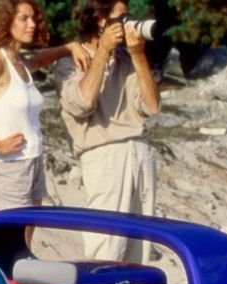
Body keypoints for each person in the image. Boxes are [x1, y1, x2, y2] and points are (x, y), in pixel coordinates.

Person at [0, 0, 85, 225]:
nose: (32, 24)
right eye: (24, 18)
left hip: (33, 160)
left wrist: (69, 47)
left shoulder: (19, 62)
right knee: (6, 239)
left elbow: (41, 58)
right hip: (9, 169)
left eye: (33, 18)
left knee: (25, 239)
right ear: (5, 22)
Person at [55, 0, 162, 263]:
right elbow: (82, 103)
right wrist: (102, 52)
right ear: (100, 20)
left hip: (140, 151)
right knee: (105, 246)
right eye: (121, 18)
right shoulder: (70, 62)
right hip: (103, 155)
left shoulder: (128, 59)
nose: (127, 23)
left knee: (140, 250)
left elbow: (152, 106)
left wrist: (139, 56)